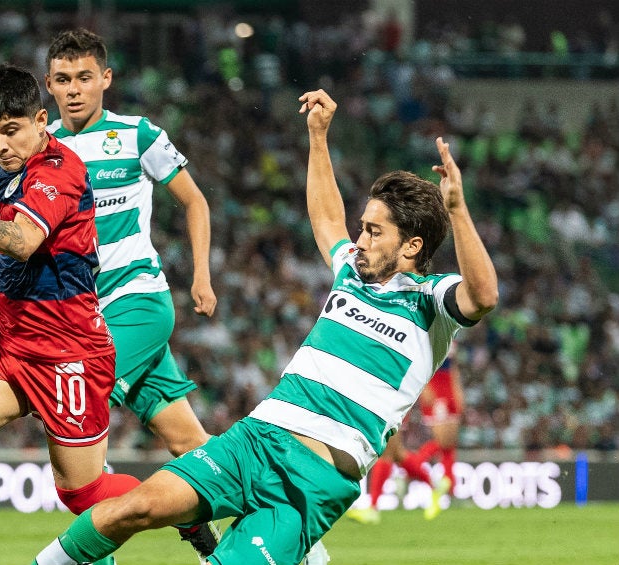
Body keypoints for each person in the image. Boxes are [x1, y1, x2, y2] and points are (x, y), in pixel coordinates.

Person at [30, 89, 498, 565]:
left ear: (413, 247)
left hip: (313, 484)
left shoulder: (430, 303)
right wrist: (318, 136)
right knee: (137, 507)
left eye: (374, 232)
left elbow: (483, 296)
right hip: (255, 439)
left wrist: (458, 211)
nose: (358, 240)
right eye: (363, 226)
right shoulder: (352, 272)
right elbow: (326, 216)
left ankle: (302, 548)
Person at [0, 63, 140, 565]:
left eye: (11, 131)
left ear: (42, 120)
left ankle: (188, 505)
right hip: (12, 342)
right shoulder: (6, 160)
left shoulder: (60, 169)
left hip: (69, 352)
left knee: (83, 495)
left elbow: (23, 241)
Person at [42, 28, 222, 561]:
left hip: (139, 301)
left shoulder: (138, 135)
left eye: (84, 78)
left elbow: (196, 203)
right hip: (85, 316)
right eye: (62, 80)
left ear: (106, 79)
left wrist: (202, 277)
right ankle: (279, 526)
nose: (74, 89)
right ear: (49, 86)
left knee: (76, 424)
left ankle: (90, 554)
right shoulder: (42, 149)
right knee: (190, 444)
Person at [347, 343, 463, 524]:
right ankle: (435, 484)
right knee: (396, 453)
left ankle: (373, 507)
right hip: (391, 390)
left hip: (393, 392)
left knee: (389, 452)